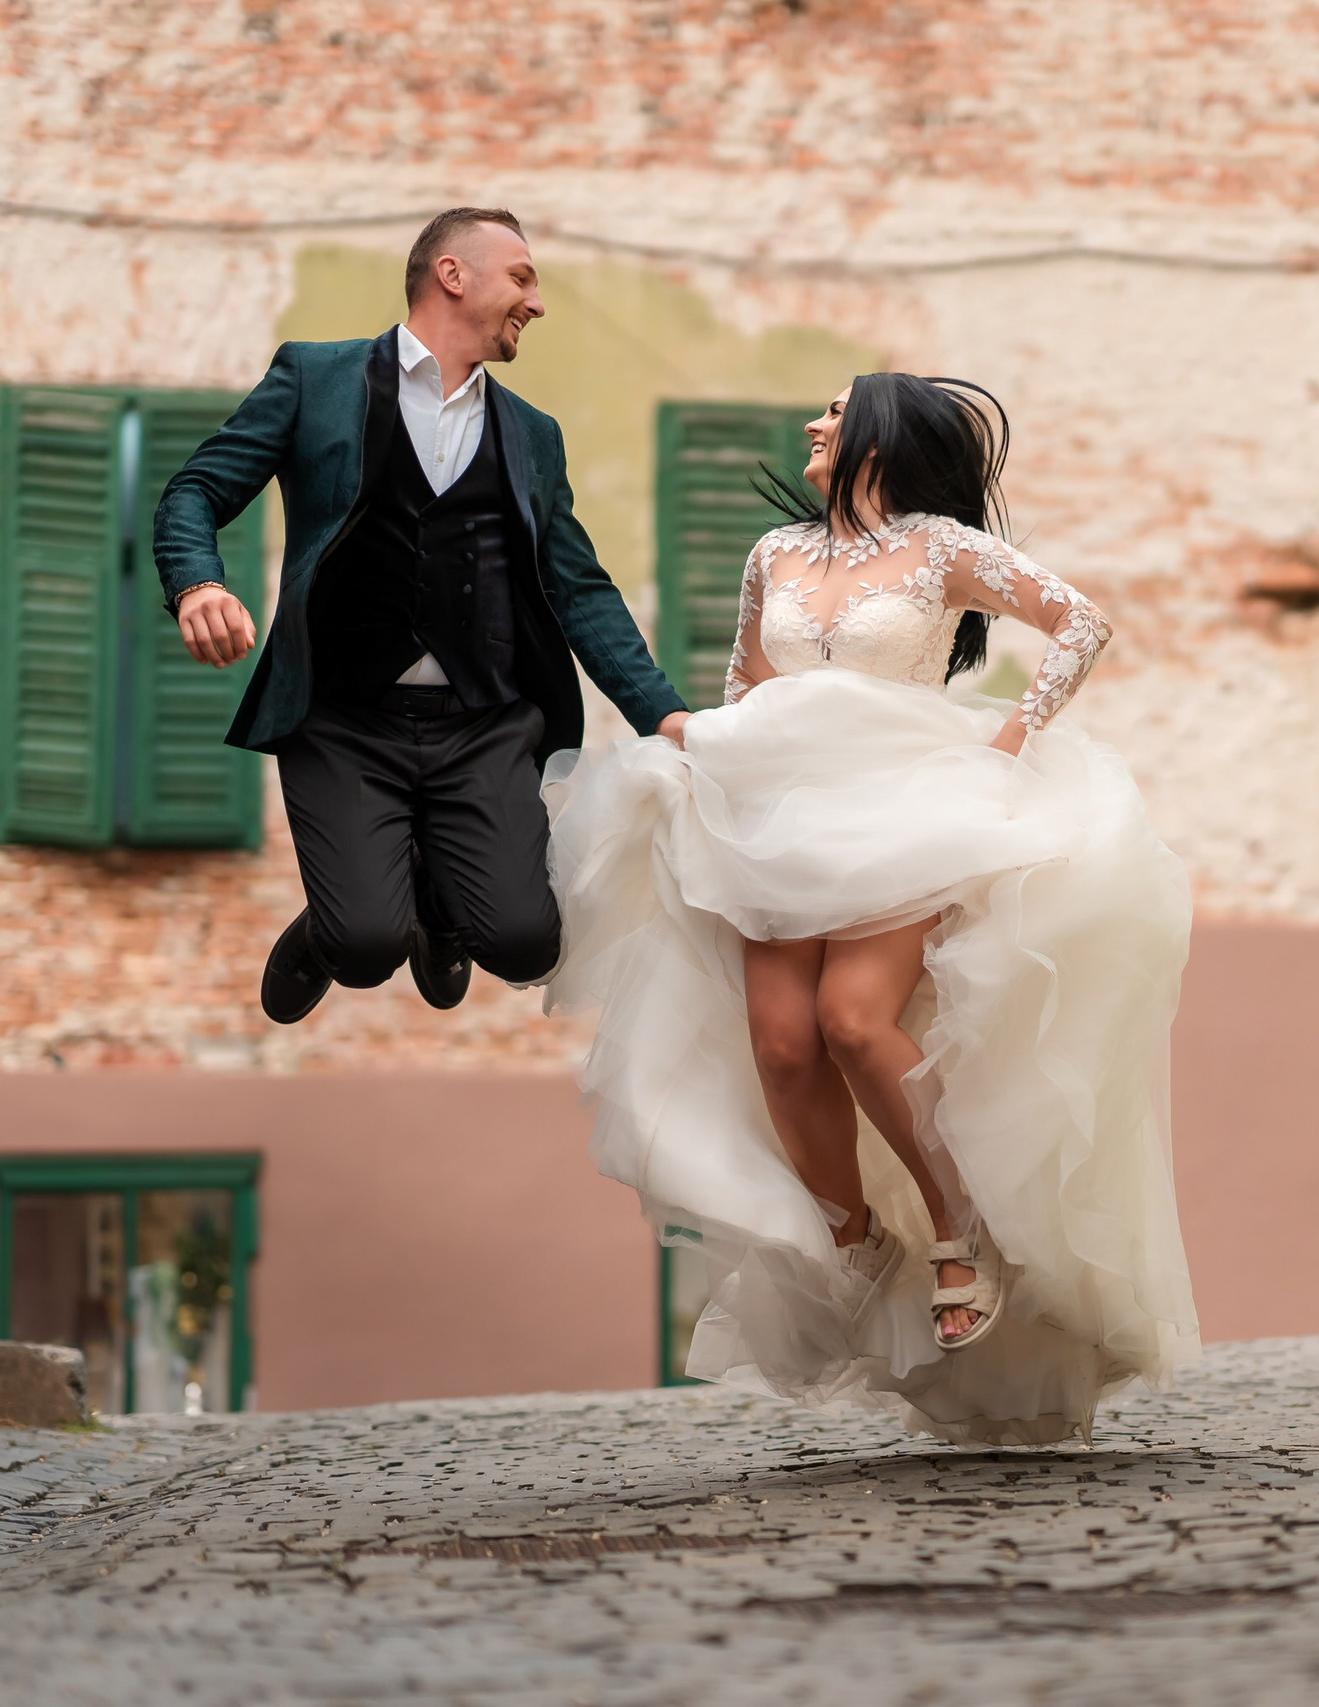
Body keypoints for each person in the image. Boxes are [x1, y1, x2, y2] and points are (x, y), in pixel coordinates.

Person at [544, 374, 1199, 1446]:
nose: (813, 424)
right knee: (782, 1044)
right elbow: (746, 678)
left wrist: (1013, 736)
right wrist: (715, 759)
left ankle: (962, 1230)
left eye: (835, 412)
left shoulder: (942, 548)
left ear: (883, 435)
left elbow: (1079, 622)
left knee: (855, 1020)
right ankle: (855, 1241)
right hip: (776, 814)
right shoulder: (774, 556)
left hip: (903, 808)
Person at [153, 209, 690, 1024]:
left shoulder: (532, 437)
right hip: (342, 717)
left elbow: (580, 589)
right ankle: (332, 928)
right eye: (522, 277)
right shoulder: (313, 378)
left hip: (483, 723)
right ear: (452, 274)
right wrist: (198, 584)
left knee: (523, 943)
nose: (536, 303)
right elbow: (195, 490)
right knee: (366, 944)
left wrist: (665, 712)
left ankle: (442, 910)